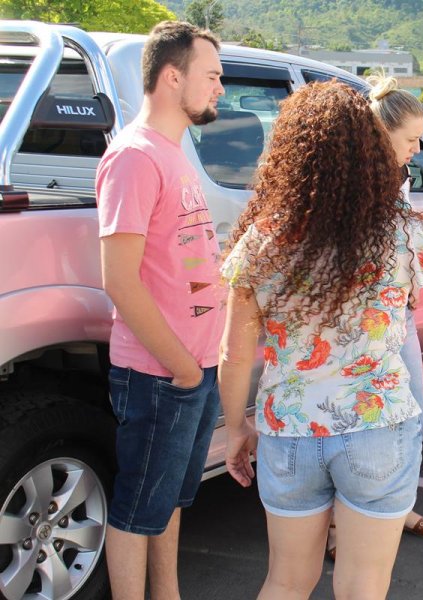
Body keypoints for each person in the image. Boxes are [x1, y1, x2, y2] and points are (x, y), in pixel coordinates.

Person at [218, 81, 423, 600]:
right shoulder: (400, 232)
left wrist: (237, 426)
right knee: (363, 587)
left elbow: (235, 354)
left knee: (286, 581)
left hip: (288, 433)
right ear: (368, 150)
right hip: (378, 429)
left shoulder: (261, 239)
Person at [96, 21, 225, 600]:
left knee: (168, 498)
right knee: (136, 506)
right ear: (172, 78)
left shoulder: (173, 154)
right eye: (212, 76)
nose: (220, 87)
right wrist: (183, 367)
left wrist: (200, 366)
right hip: (160, 373)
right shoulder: (133, 157)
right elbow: (119, 280)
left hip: (192, 369)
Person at [322, 74, 423, 563]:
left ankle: (399, 509)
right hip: (366, 328)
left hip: (400, 318)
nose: (418, 150)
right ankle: (346, 525)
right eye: (412, 139)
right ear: (380, 137)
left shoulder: (397, 176)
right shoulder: (349, 188)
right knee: (354, 427)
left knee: (410, 417)